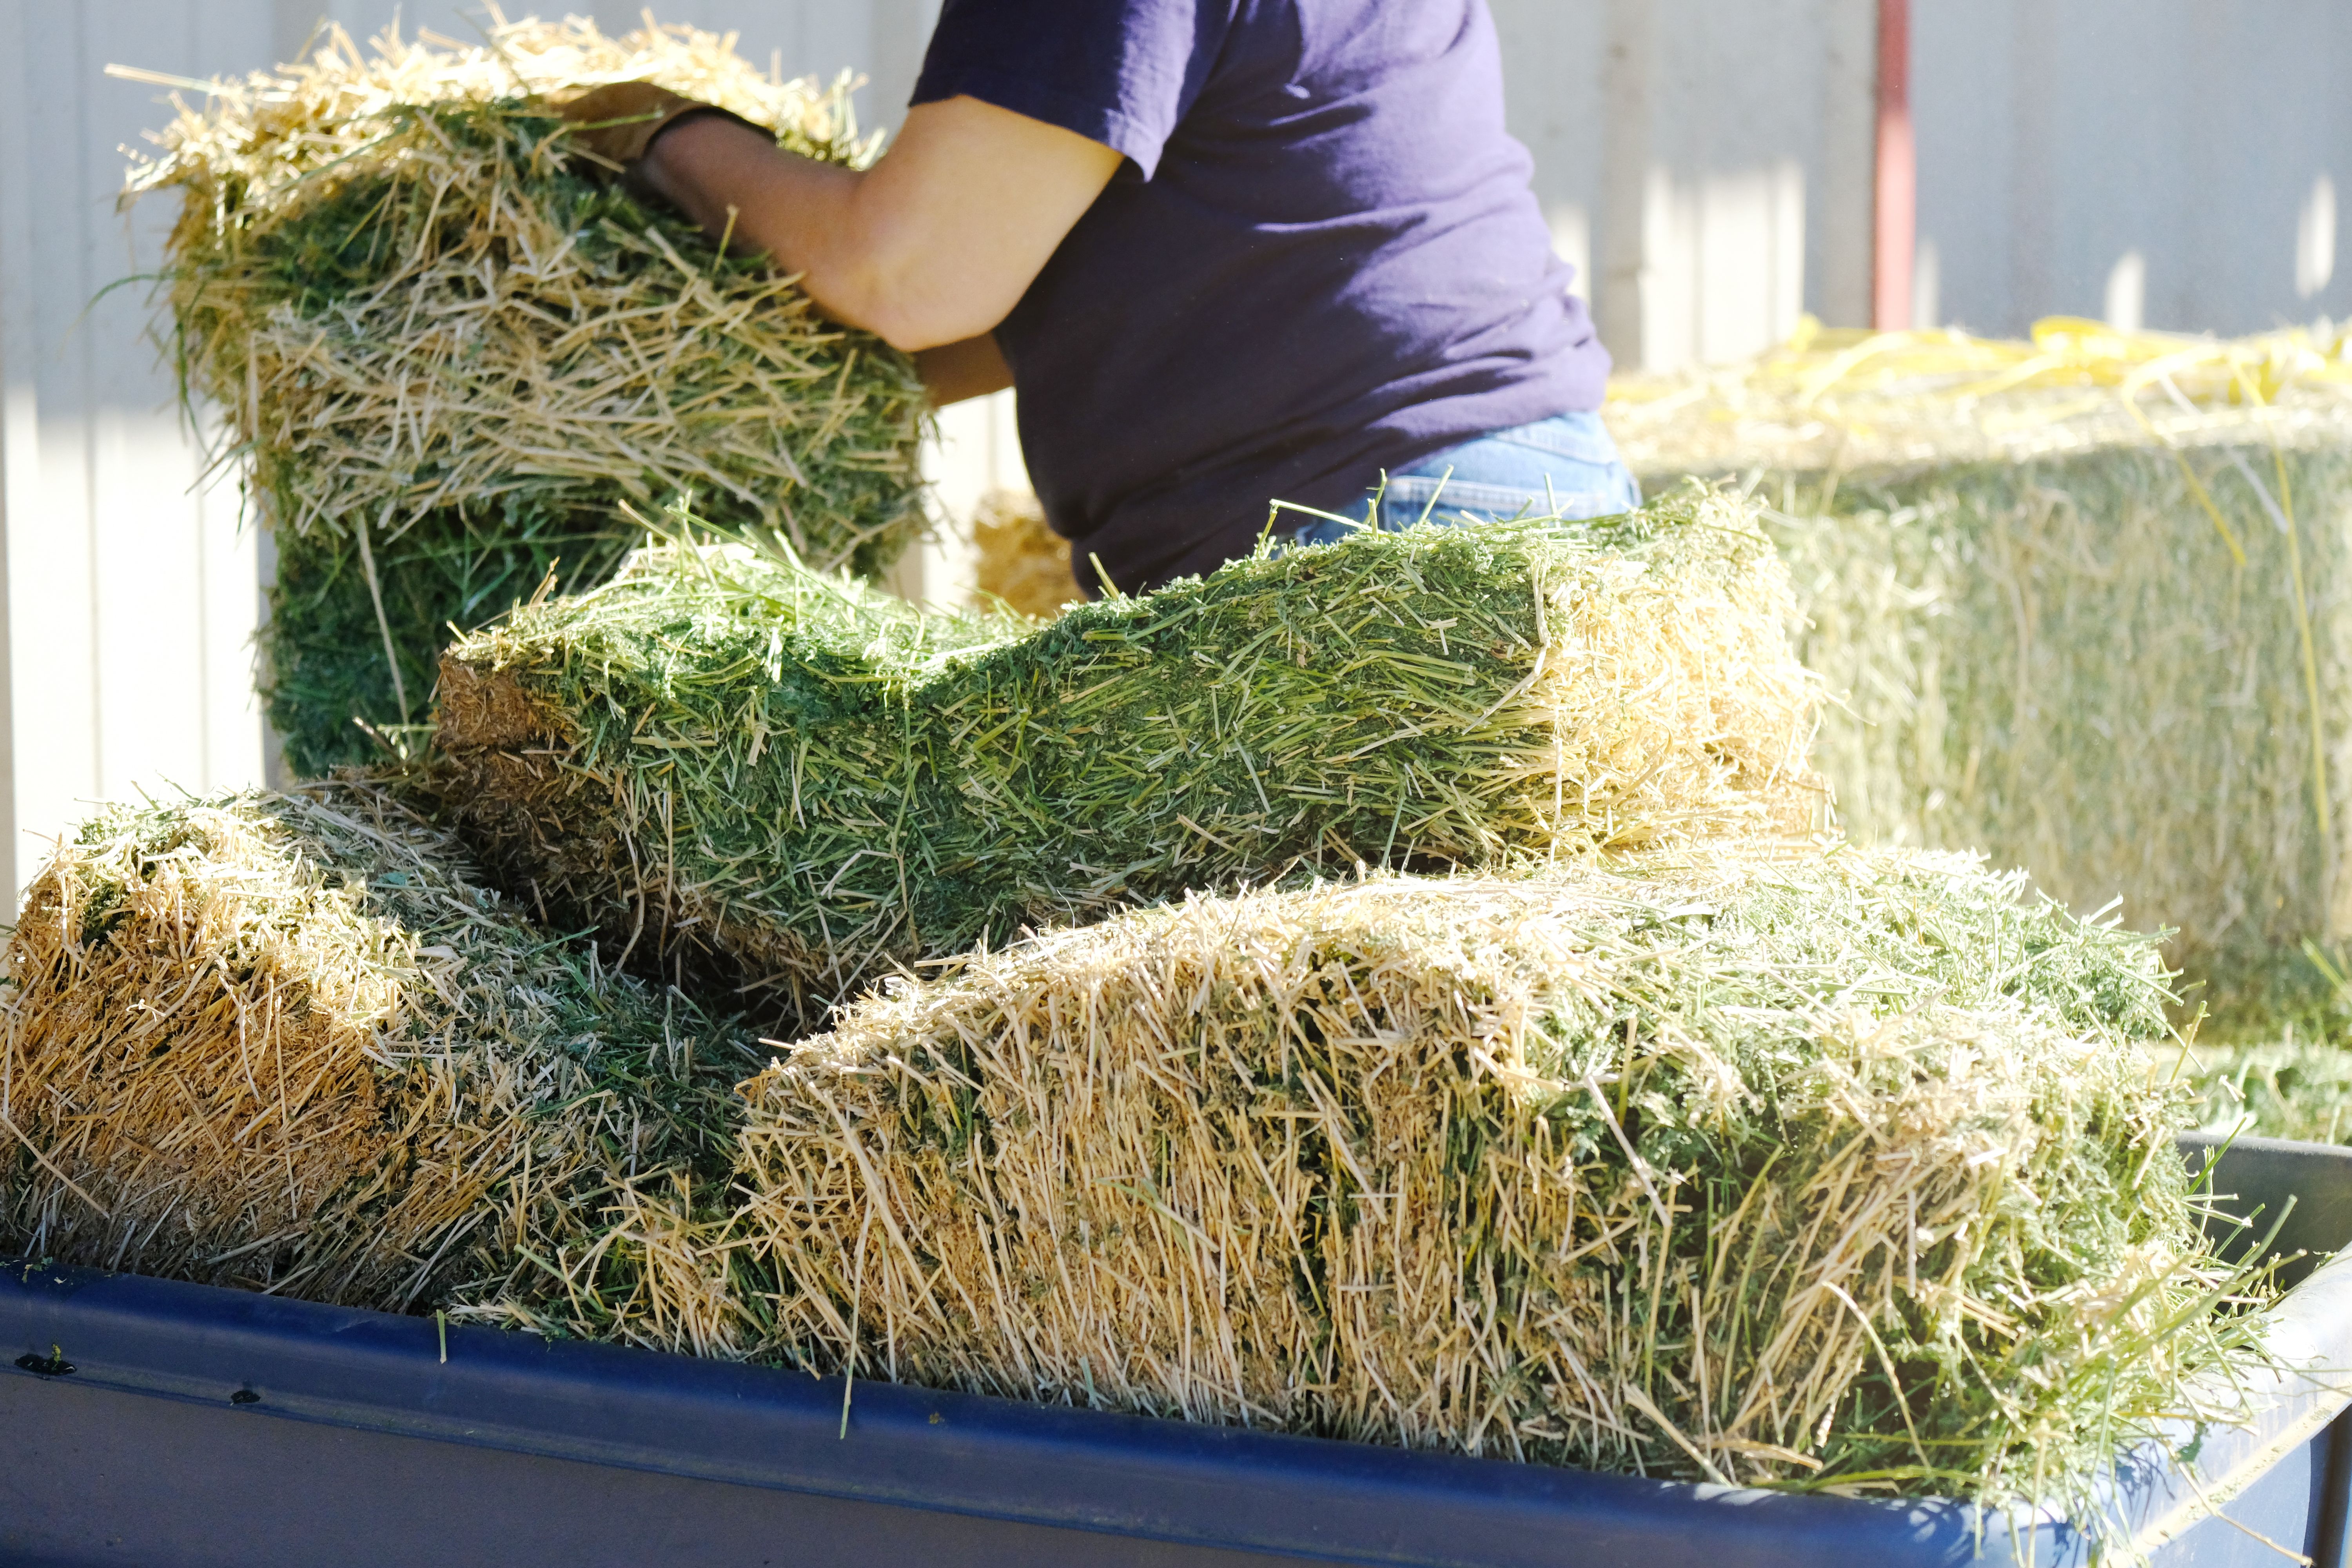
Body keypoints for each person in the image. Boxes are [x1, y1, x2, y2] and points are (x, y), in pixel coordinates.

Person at [561, 0, 1638, 597]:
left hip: (1368, 538)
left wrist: (664, 138)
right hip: (1520, 496)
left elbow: (911, 272)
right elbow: (1145, 256)